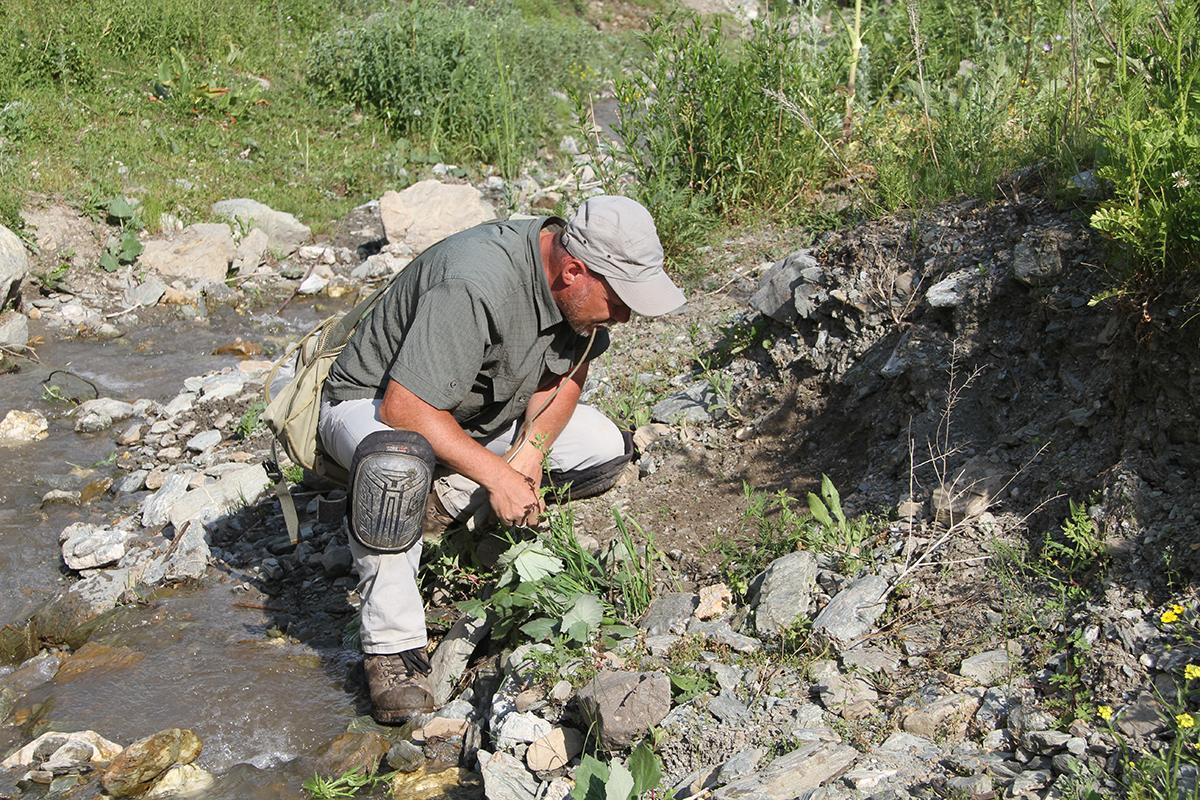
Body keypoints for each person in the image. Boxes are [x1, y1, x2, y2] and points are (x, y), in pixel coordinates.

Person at [317, 195, 686, 723]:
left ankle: (432, 507)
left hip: (470, 416)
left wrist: (531, 453)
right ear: (574, 271)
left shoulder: (576, 293)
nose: (626, 316)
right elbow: (404, 407)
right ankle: (391, 650)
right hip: (375, 408)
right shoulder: (475, 283)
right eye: (621, 300)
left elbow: (565, 376)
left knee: (603, 448)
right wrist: (497, 473)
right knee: (395, 467)